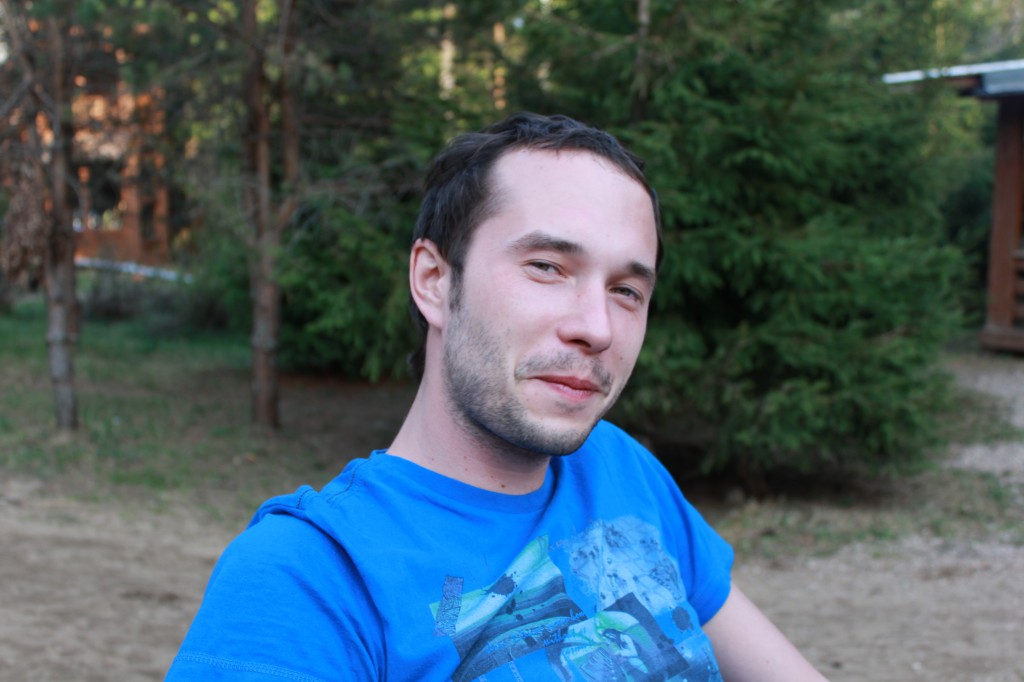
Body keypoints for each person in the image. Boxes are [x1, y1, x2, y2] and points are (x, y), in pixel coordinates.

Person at [167, 112, 827, 681]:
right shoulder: (308, 577)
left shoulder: (623, 471)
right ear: (433, 280)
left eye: (626, 291)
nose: (597, 328)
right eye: (547, 267)